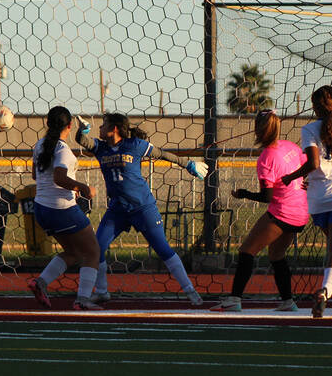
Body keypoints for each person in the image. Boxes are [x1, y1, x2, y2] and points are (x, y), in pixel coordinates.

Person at [74, 113, 208, 307]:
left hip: (142, 207)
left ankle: (190, 291)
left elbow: (162, 154)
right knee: (97, 248)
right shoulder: (100, 147)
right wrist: (82, 130)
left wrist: (188, 164)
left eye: (104, 125)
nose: (100, 128)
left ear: (115, 129)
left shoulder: (135, 145)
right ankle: (102, 292)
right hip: (117, 209)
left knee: (163, 249)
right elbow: (82, 140)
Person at [281, 85, 332, 318]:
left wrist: (294, 177)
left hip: (318, 198)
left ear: (314, 106)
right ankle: (325, 292)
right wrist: (293, 176)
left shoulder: (309, 129)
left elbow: (313, 164)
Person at [212, 108, 308, 312]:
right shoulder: (290, 146)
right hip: (301, 211)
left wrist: (244, 193)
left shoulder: (266, 158)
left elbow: (267, 197)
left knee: (247, 251)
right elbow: (307, 168)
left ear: (258, 130)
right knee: (276, 254)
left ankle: (235, 298)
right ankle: (288, 301)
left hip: (283, 211)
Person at [25, 106, 102, 311]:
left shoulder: (40, 145)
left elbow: (36, 175)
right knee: (93, 252)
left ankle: (40, 283)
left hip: (41, 208)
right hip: (61, 209)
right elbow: (59, 178)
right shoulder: (63, 150)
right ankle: (83, 300)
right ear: (69, 126)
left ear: (47, 124)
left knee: (73, 252)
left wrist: (71, 186)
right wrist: (83, 187)